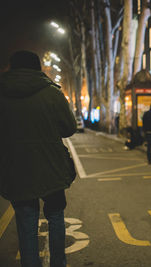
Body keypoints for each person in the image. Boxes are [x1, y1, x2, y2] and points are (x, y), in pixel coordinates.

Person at [0, 50, 77, 267]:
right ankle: (58, 263)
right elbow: (69, 128)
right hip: (51, 166)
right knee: (55, 216)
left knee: (26, 221)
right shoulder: (51, 93)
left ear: (11, 67)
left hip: (15, 168)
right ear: (38, 68)